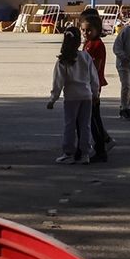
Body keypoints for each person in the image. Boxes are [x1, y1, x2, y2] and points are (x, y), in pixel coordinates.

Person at [47, 27, 99, 164]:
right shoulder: (85, 56)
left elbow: (58, 82)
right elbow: (94, 77)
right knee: (85, 125)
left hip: (71, 98)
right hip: (86, 96)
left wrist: (53, 99)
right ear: (78, 42)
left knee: (70, 125)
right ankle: (85, 154)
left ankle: (69, 153)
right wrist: (95, 93)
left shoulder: (63, 61)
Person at [81, 14, 112, 161]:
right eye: (83, 30)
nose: (86, 33)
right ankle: (102, 142)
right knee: (93, 117)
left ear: (97, 30)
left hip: (93, 85)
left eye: (89, 30)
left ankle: (101, 149)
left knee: (92, 118)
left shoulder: (97, 45)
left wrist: (93, 89)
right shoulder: (88, 43)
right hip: (85, 84)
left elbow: (95, 67)